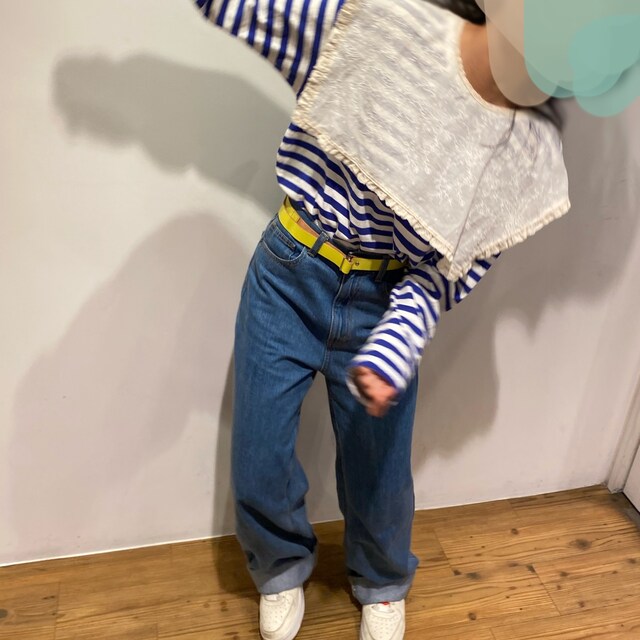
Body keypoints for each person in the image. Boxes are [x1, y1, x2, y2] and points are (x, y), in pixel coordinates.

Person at [191, 1, 564, 638]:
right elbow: (270, 14)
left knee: (381, 469)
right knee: (259, 450)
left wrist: (396, 340)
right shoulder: (383, 22)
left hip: (385, 301)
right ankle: (279, 567)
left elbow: (446, 271)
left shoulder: (526, 154)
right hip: (290, 270)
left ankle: (383, 581)